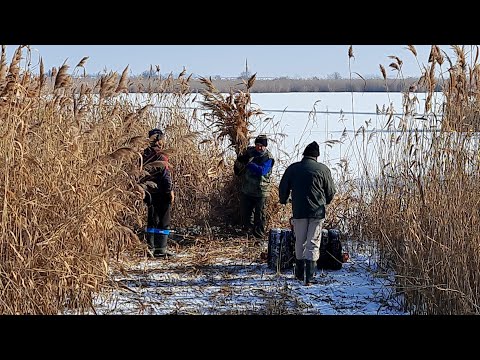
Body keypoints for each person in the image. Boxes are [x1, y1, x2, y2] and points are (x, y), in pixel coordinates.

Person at [278, 141, 336, 285]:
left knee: (300, 241)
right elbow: (331, 191)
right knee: (313, 242)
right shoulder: (323, 169)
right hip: (317, 212)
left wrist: (283, 199)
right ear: (316, 156)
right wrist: (326, 201)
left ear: (304, 154)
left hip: (299, 211)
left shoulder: (293, 168)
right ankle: (309, 277)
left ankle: (298, 273)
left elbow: (283, 186)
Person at [140, 128, 175, 257]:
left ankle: (150, 247)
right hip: (161, 191)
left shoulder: (144, 155)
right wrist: (169, 191)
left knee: (152, 219)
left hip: (148, 191)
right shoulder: (161, 155)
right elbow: (165, 175)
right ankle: (161, 249)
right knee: (164, 220)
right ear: (160, 139)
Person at [233, 134, 275, 239]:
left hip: (261, 191)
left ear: (265, 146)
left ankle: (258, 236)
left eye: (261, 146)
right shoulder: (250, 152)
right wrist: (239, 164)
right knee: (245, 214)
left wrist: (249, 164)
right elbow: (240, 162)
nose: (259, 148)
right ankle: (246, 234)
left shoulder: (268, 158)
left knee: (259, 215)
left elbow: (262, 171)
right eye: (257, 145)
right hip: (247, 189)